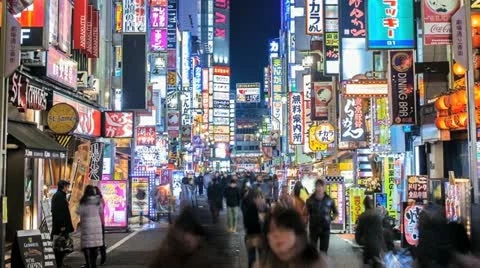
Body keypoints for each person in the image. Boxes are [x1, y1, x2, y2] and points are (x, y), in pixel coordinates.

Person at [149, 207, 226, 267]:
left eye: (194, 233)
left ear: (202, 237)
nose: (187, 237)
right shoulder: (167, 254)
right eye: (184, 230)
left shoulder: (211, 258)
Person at [256, 207, 327, 268]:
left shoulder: (317, 263)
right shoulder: (262, 264)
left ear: (297, 233)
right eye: (271, 230)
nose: (276, 234)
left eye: (283, 229)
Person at [305, 179, 338, 253]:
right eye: (318, 186)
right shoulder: (309, 200)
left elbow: (336, 212)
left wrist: (331, 218)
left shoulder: (330, 200)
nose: (319, 188)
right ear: (315, 187)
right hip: (313, 228)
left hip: (325, 229)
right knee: (312, 251)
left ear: (324, 188)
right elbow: (306, 213)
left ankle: (322, 263)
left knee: (324, 251)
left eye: (321, 186)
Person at [77, 185, 104, 268]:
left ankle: (88, 263)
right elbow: (101, 211)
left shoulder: (83, 201)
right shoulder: (98, 201)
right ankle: (94, 264)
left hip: (87, 225)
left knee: (86, 246)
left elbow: (78, 211)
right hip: (96, 226)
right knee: (94, 247)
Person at [355, 196, 385, 268]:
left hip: (367, 244)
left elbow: (358, 233)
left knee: (366, 263)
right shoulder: (378, 215)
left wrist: (360, 241)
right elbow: (381, 231)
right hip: (378, 244)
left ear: (364, 205)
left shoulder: (362, 216)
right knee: (377, 263)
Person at [51, 180, 74, 268]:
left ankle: (61, 264)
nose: (68, 188)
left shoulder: (61, 196)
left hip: (62, 226)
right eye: (67, 186)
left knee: (63, 247)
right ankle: (59, 265)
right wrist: (62, 226)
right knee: (59, 247)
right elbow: (58, 213)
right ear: (63, 187)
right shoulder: (58, 196)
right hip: (60, 227)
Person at [244, 191, 266, 268]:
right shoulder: (251, 208)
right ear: (255, 199)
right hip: (253, 236)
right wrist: (259, 219)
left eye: (262, 198)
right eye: (260, 198)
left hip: (258, 236)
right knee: (252, 258)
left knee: (260, 258)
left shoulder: (261, 208)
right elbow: (247, 223)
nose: (261, 200)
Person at [94, 186, 107, 265]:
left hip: (97, 223)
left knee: (97, 242)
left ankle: (101, 258)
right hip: (100, 223)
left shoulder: (96, 200)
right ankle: (103, 258)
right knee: (100, 241)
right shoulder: (101, 199)